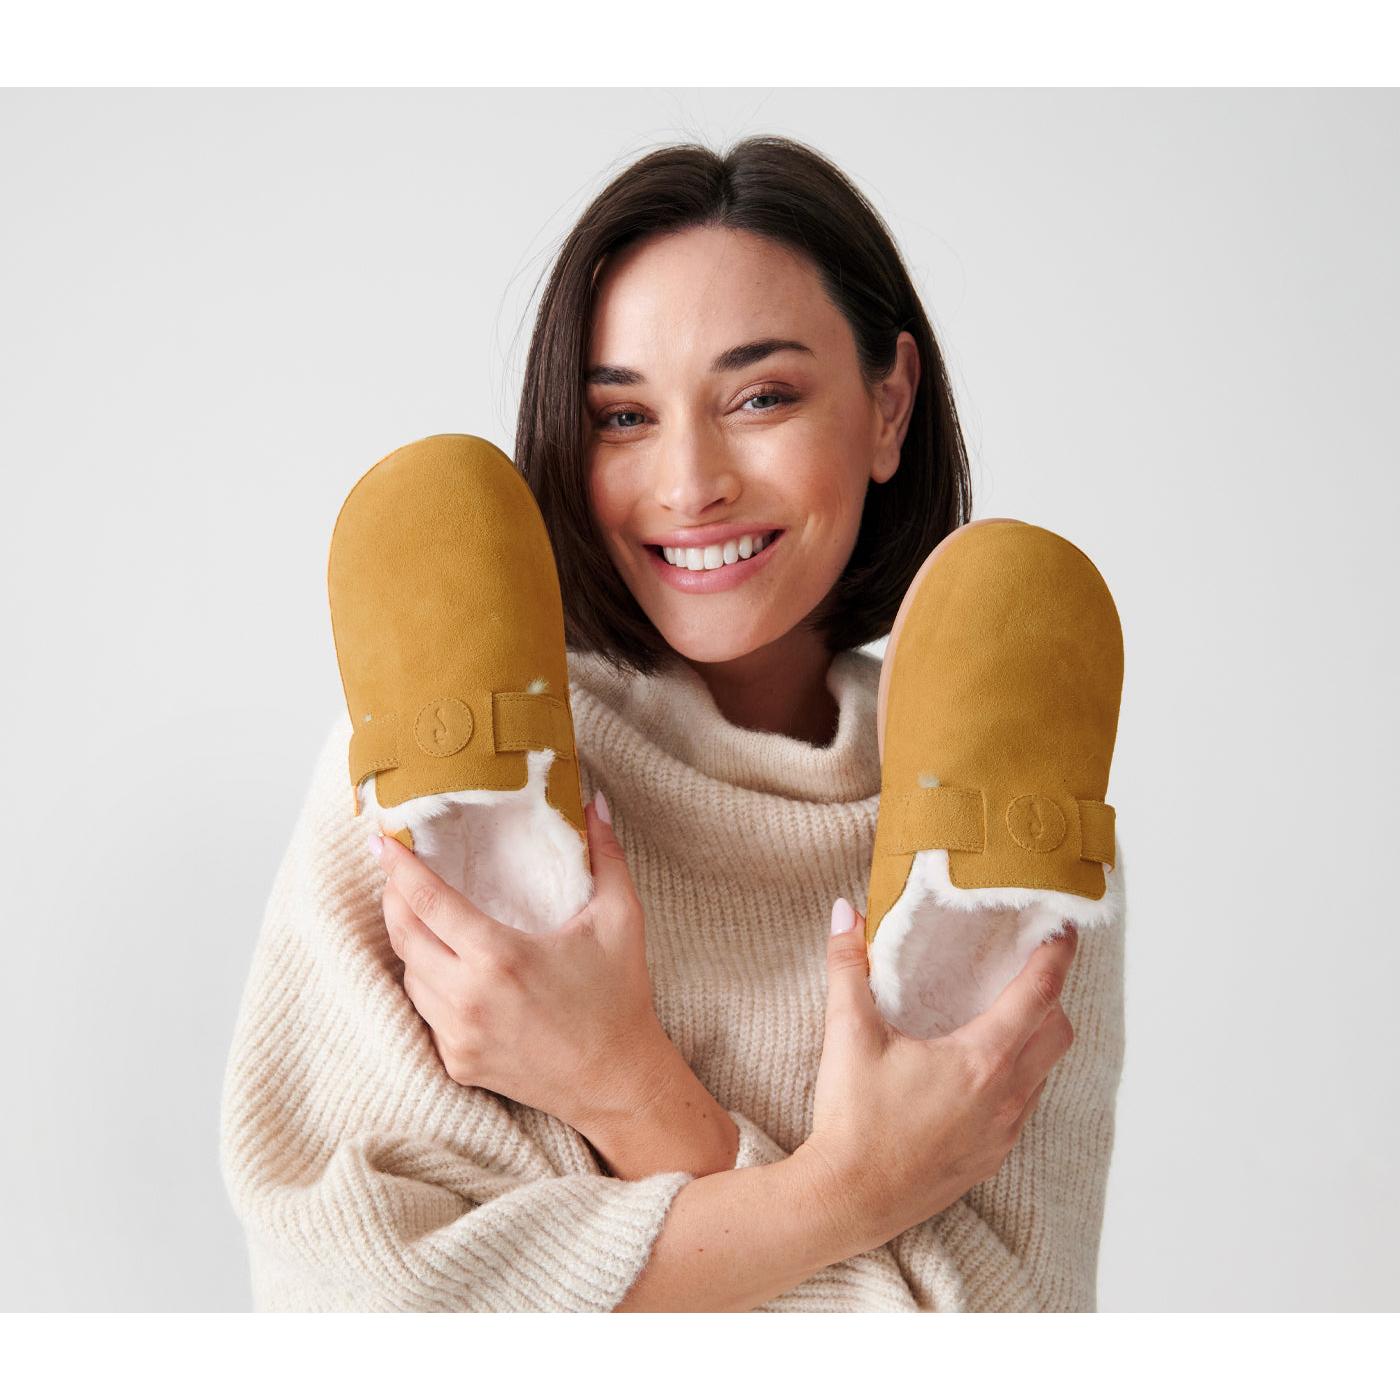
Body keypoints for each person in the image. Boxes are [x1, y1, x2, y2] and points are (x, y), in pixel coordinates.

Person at [219, 134, 1126, 1311]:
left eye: (759, 397)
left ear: (887, 402)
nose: (690, 483)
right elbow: (359, 1299)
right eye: (622, 416)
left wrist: (618, 1082)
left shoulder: (1005, 818)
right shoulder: (432, 758)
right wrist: (864, 1192)